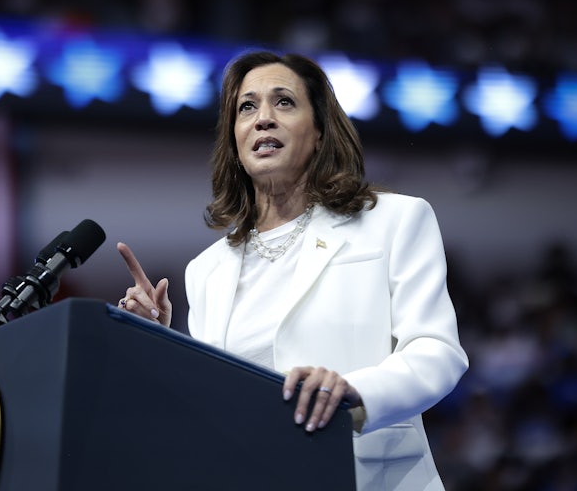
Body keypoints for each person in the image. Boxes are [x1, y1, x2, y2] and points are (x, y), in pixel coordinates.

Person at [116, 50, 469, 491]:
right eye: (247, 107)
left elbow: (437, 353)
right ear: (235, 140)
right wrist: (157, 344)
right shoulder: (206, 270)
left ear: (319, 132)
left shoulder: (396, 221)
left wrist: (353, 393)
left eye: (284, 102)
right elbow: (210, 406)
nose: (263, 118)